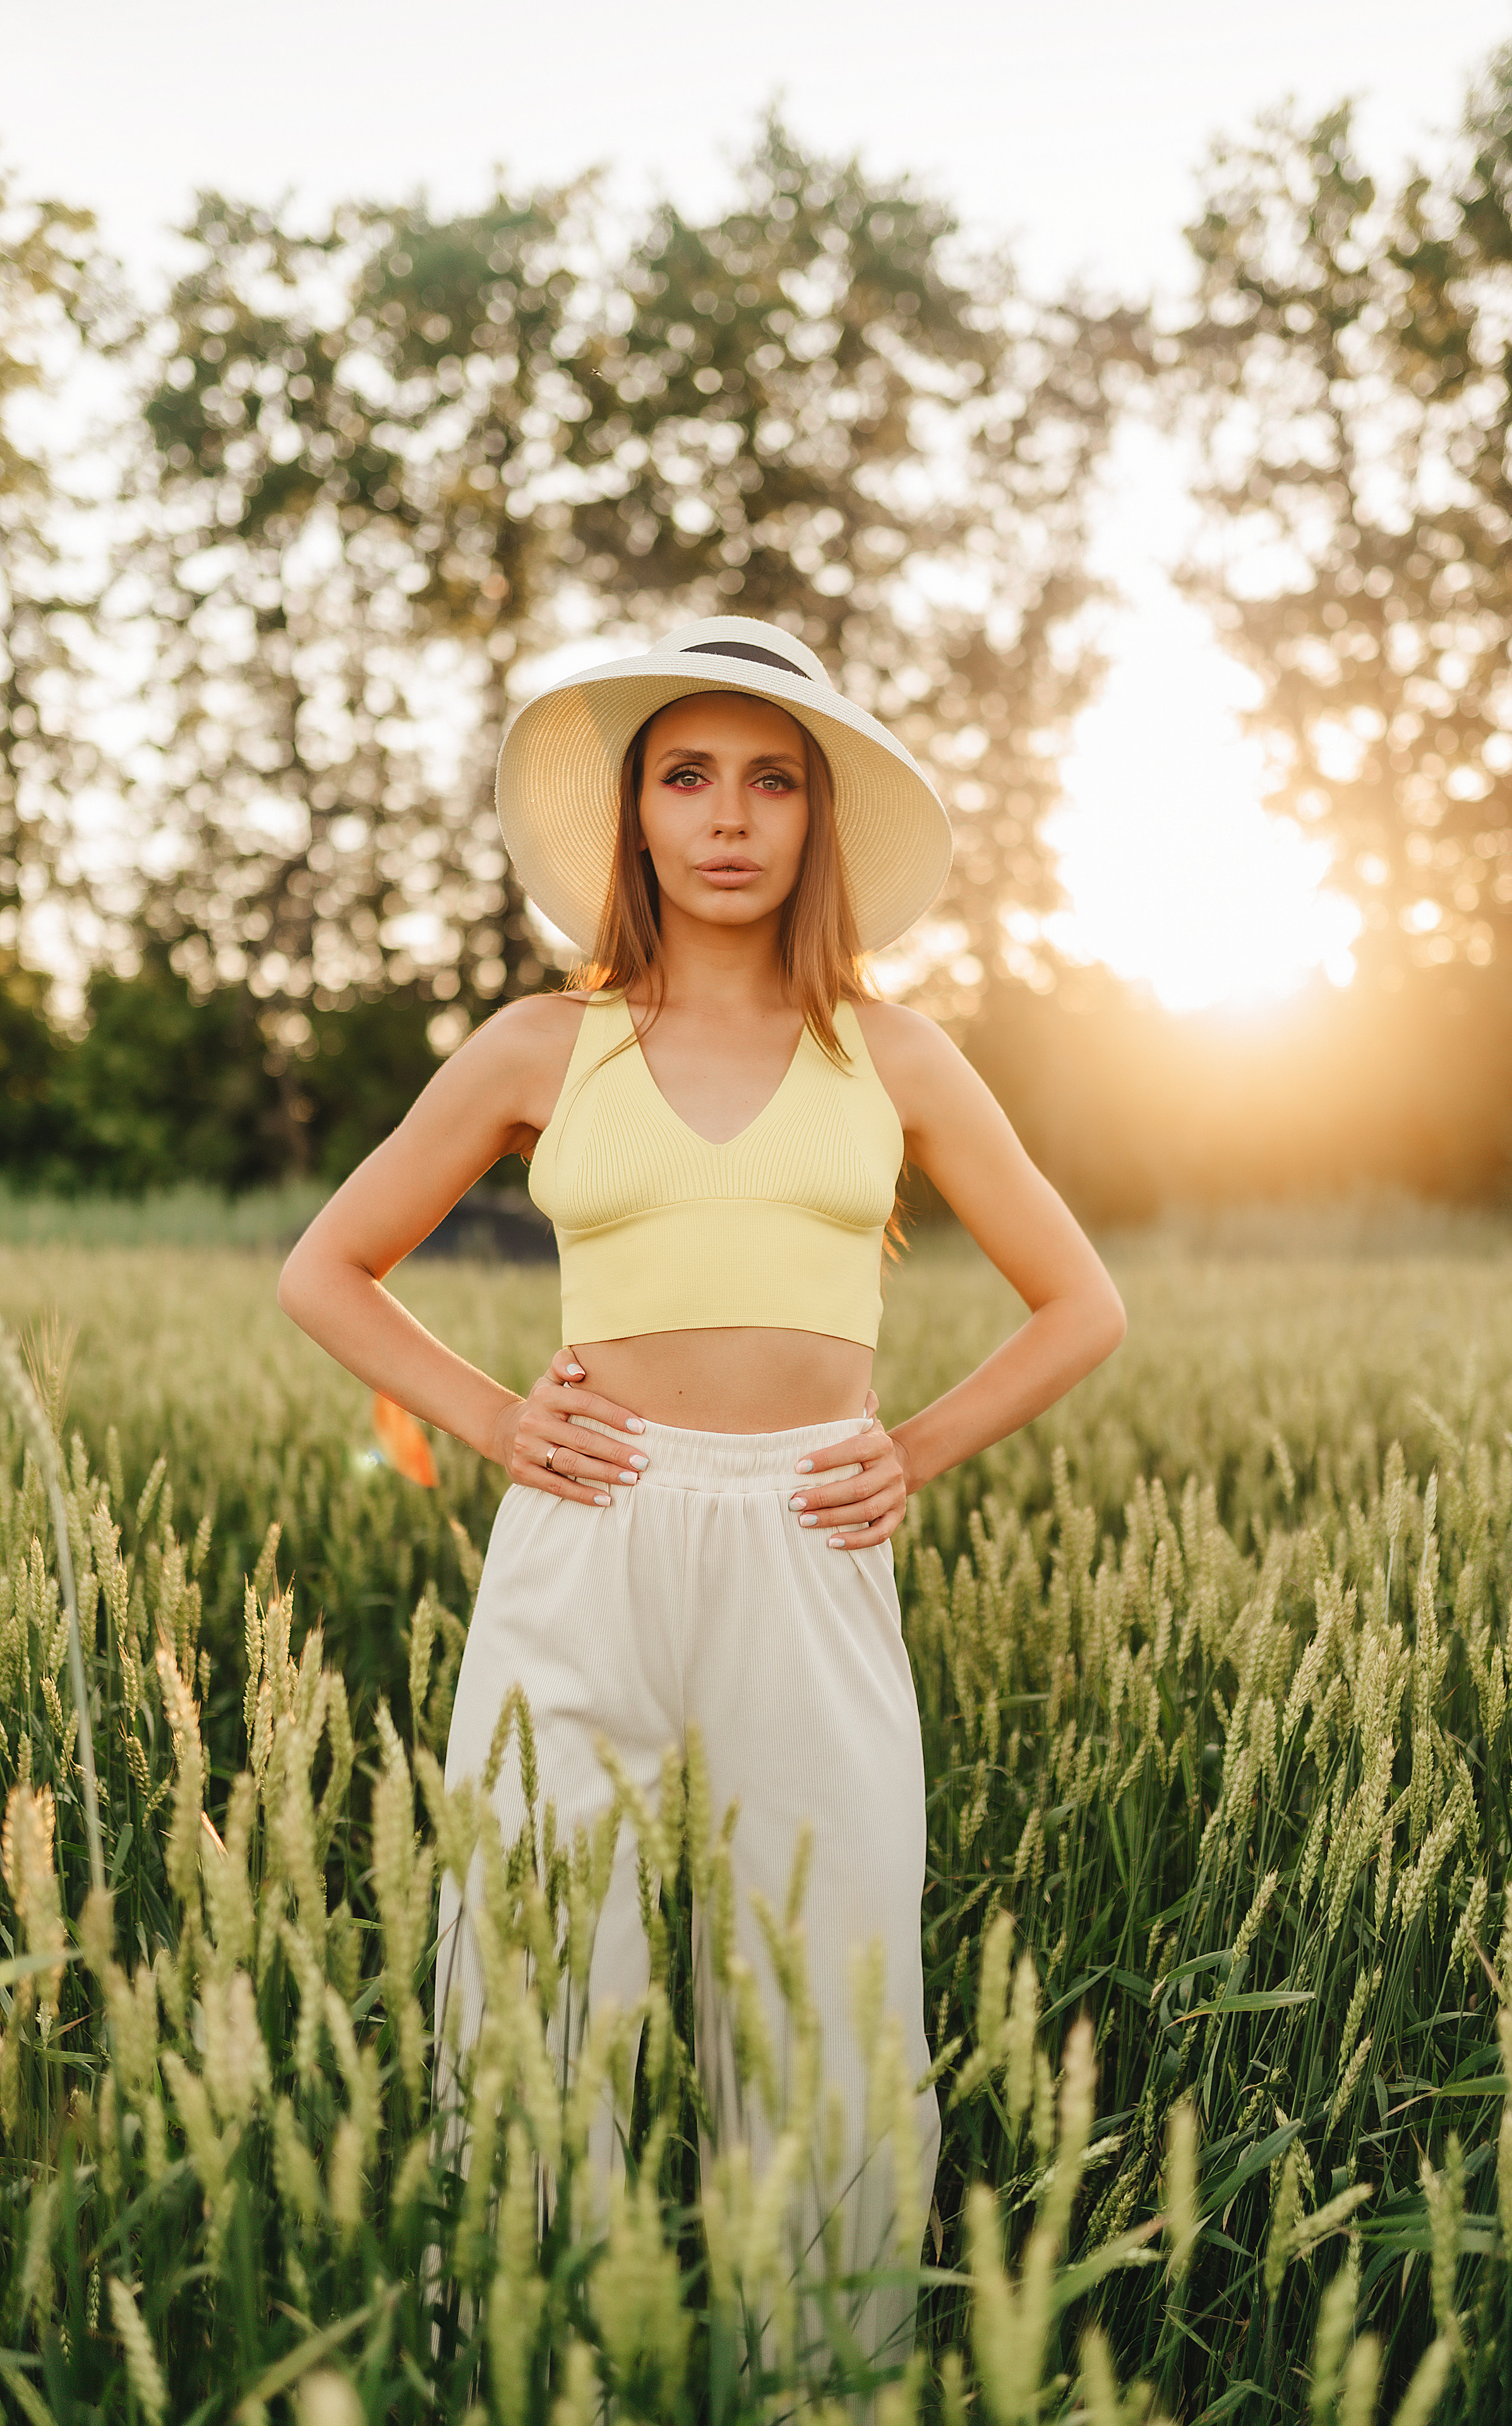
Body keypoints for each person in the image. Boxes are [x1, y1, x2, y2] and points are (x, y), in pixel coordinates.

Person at [277, 613, 1127, 2371]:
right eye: (687, 778)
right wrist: (502, 1424)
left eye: (770, 781)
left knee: (828, 1991)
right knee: (528, 1983)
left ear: (816, 823)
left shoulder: (894, 1059)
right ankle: (527, 2371)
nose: (728, 817)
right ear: (639, 820)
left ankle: (814, 2380)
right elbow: (327, 1270)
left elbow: (1085, 1305)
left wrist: (914, 1448)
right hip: (585, 1537)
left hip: (808, 1542)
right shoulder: (540, 1044)